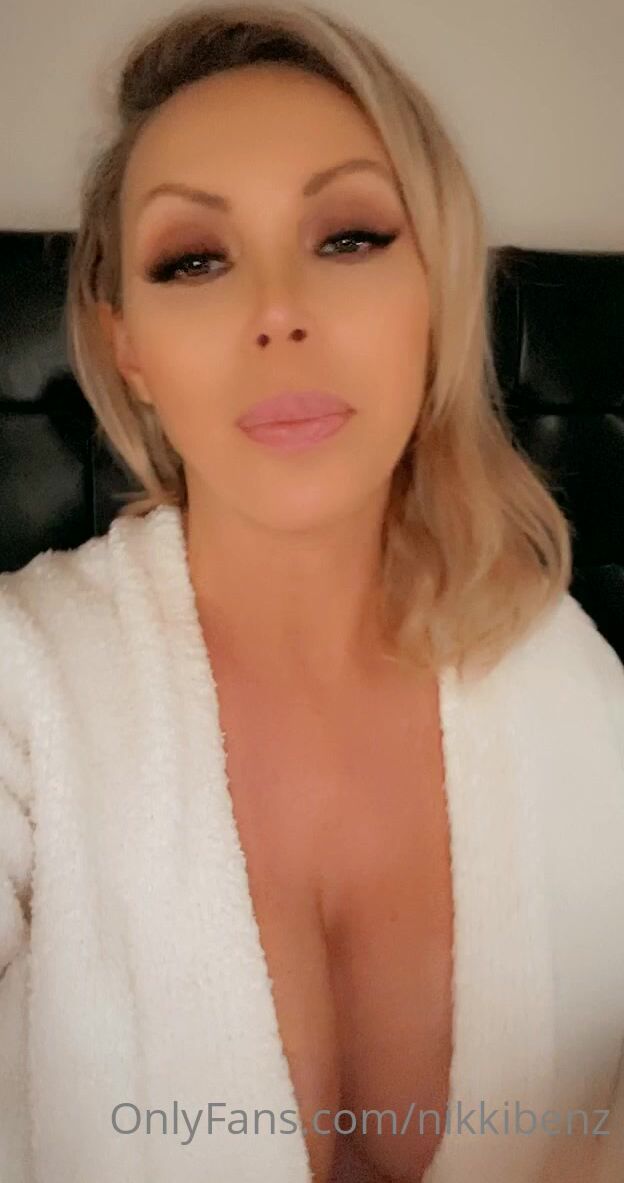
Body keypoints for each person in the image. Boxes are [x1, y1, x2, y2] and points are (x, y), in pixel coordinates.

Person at [1, 3, 623, 1181]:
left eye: (348, 238)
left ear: (436, 289)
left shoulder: (561, 670)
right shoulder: (22, 687)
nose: (278, 310)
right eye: (194, 260)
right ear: (127, 344)